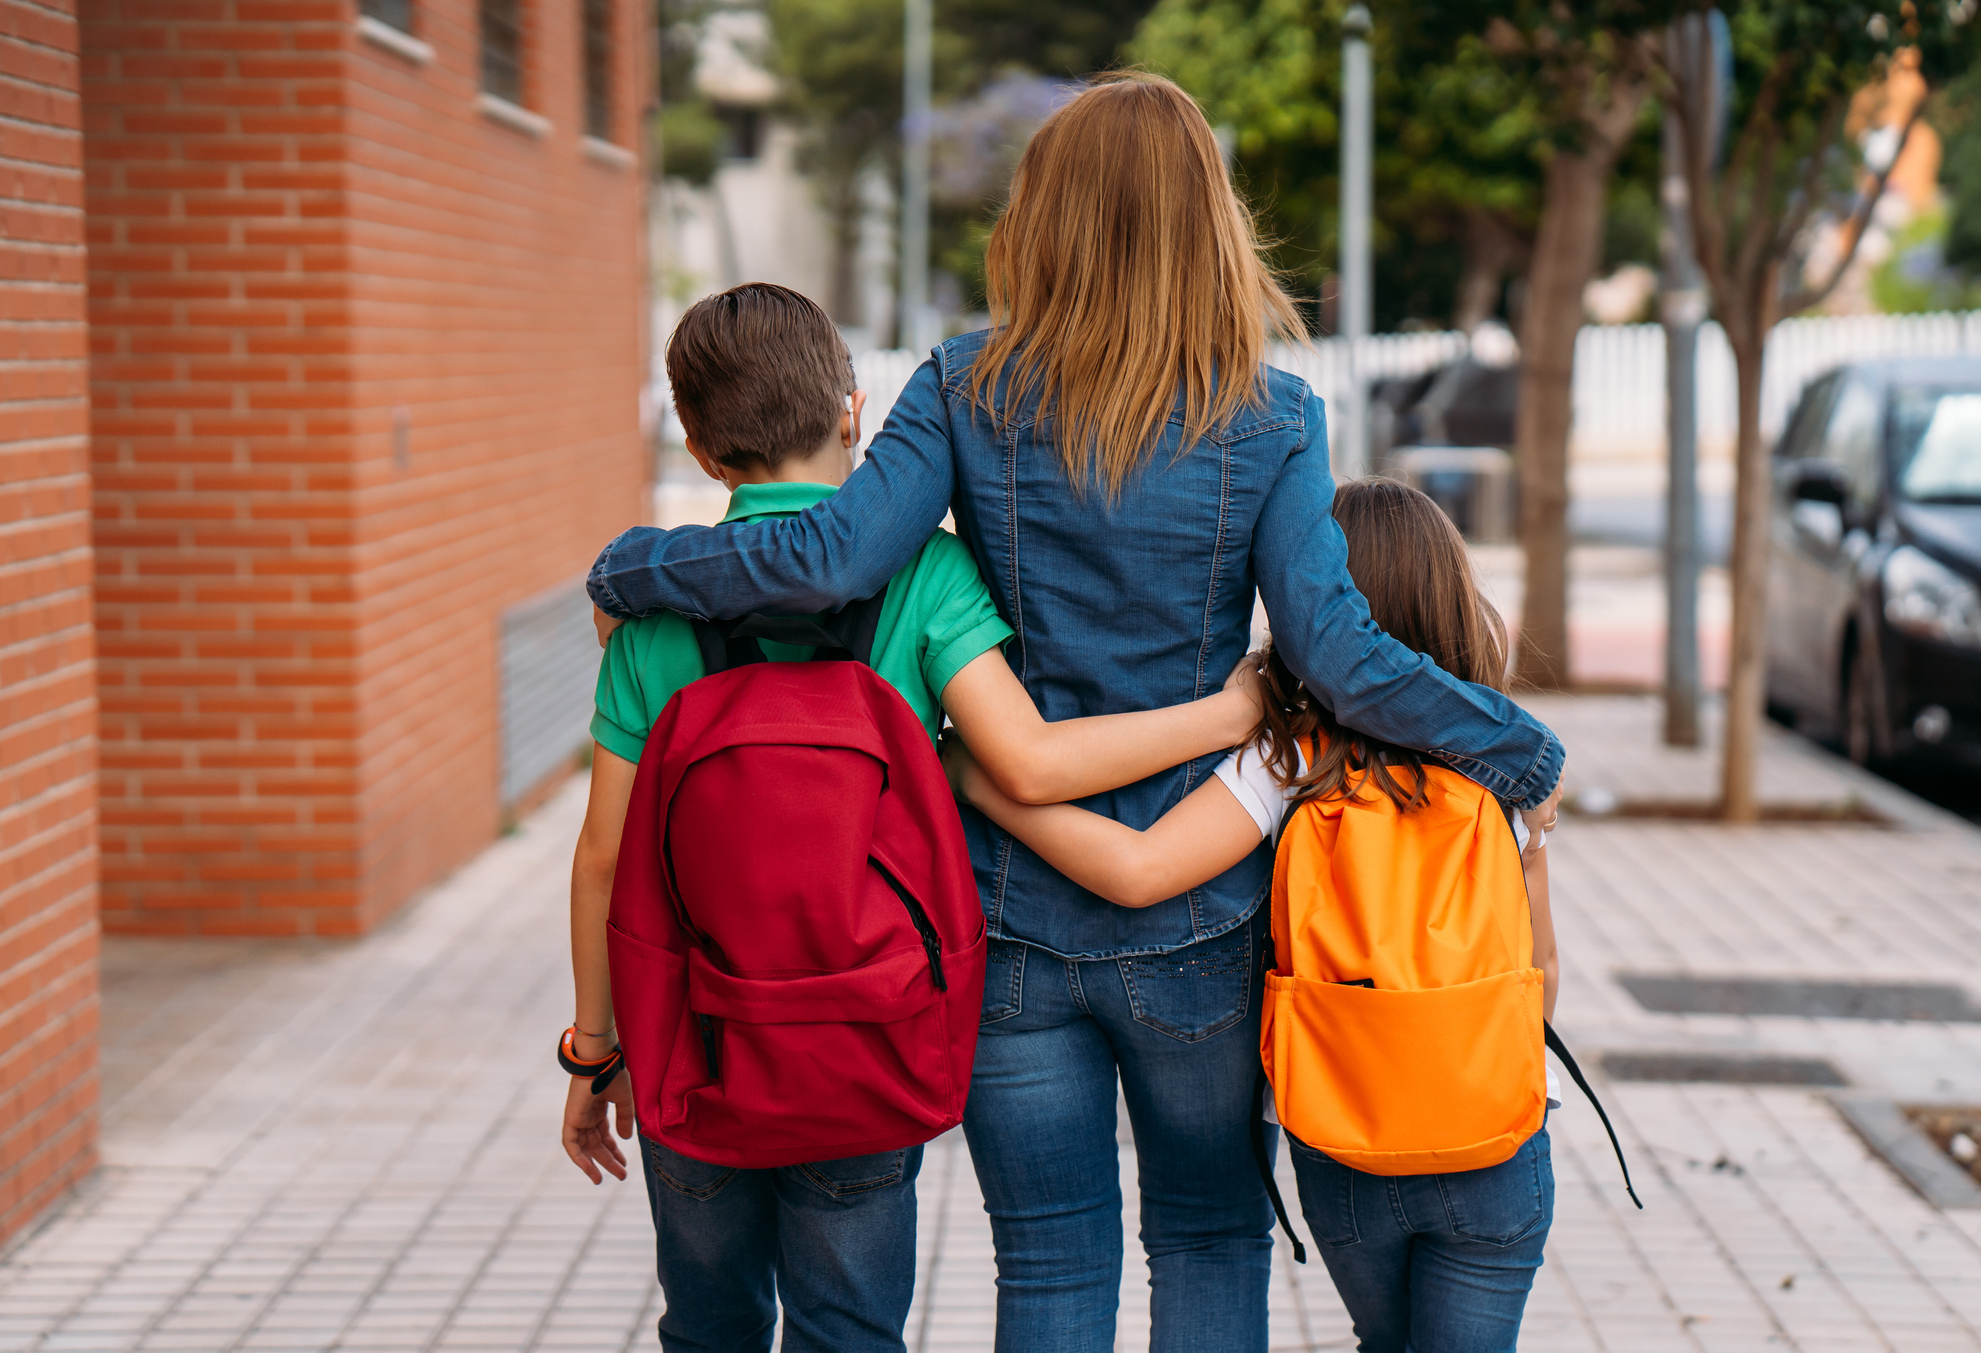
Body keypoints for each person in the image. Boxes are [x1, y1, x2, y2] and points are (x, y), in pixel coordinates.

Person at [584, 74, 1564, 1353]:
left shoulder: (958, 386)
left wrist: (631, 568)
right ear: (1210, 223)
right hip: (1203, 919)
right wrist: (1517, 748)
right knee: (1209, 1240)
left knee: (1048, 1260)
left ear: (1040, 221)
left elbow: (829, 557)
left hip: (1008, 914)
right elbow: (1332, 647)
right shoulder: (1270, 417)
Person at [558, 283, 1264, 1353]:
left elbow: (605, 860)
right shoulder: (924, 576)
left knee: (708, 1325)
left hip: (692, 1038)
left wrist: (594, 1050)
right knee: (850, 1331)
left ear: (699, 449)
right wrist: (1232, 713)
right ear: (854, 412)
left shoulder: (657, 615)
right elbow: (1032, 758)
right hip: (863, 1030)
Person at [945, 479, 1560, 1351]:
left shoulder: (1292, 756)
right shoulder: (1504, 773)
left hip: (1346, 1140)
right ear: (1457, 606)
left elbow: (1141, 867)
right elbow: (1539, 988)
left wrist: (979, 778)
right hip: (1492, 1134)